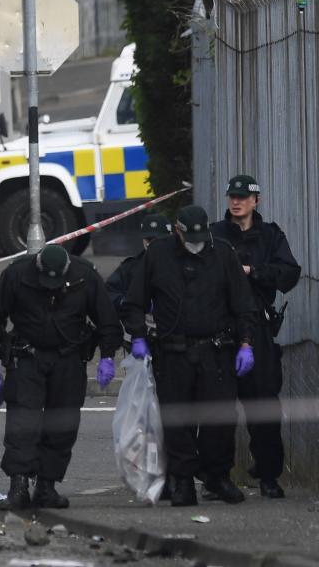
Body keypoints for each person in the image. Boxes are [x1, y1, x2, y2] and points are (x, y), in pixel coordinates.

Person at [122, 205, 258, 506]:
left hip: (216, 350)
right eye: (189, 237)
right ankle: (182, 481)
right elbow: (134, 302)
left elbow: (242, 304)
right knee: (177, 419)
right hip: (173, 352)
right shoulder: (158, 255)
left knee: (220, 418)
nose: (196, 244)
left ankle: (218, 477)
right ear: (178, 231)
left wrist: (246, 344)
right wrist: (139, 337)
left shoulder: (222, 254)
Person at [0, 244, 122, 510]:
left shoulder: (86, 276)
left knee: (63, 423)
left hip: (68, 358)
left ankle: (47, 486)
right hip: (27, 356)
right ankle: (18, 486)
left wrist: (107, 355)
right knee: (22, 422)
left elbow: (106, 318)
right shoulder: (17, 275)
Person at [210, 175, 300, 498]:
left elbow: (290, 273)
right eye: (232, 196)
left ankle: (268, 475)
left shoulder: (270, 236)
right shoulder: (215, 235)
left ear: (255, 201)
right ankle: (216, 477)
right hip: (222, 330)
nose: (236, 202)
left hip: (259, 332)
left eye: (243, 197)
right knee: (218, 408)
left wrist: (253, 272)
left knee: (263, 406)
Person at [106, 213, 172, 313]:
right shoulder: (129, 268)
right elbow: (108, 293)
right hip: (141, 325)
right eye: (149, 239)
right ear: (142, 240)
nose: (153, 244)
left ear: (170, 237)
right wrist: (128, 304)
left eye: (159, 239)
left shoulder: (181, 265)